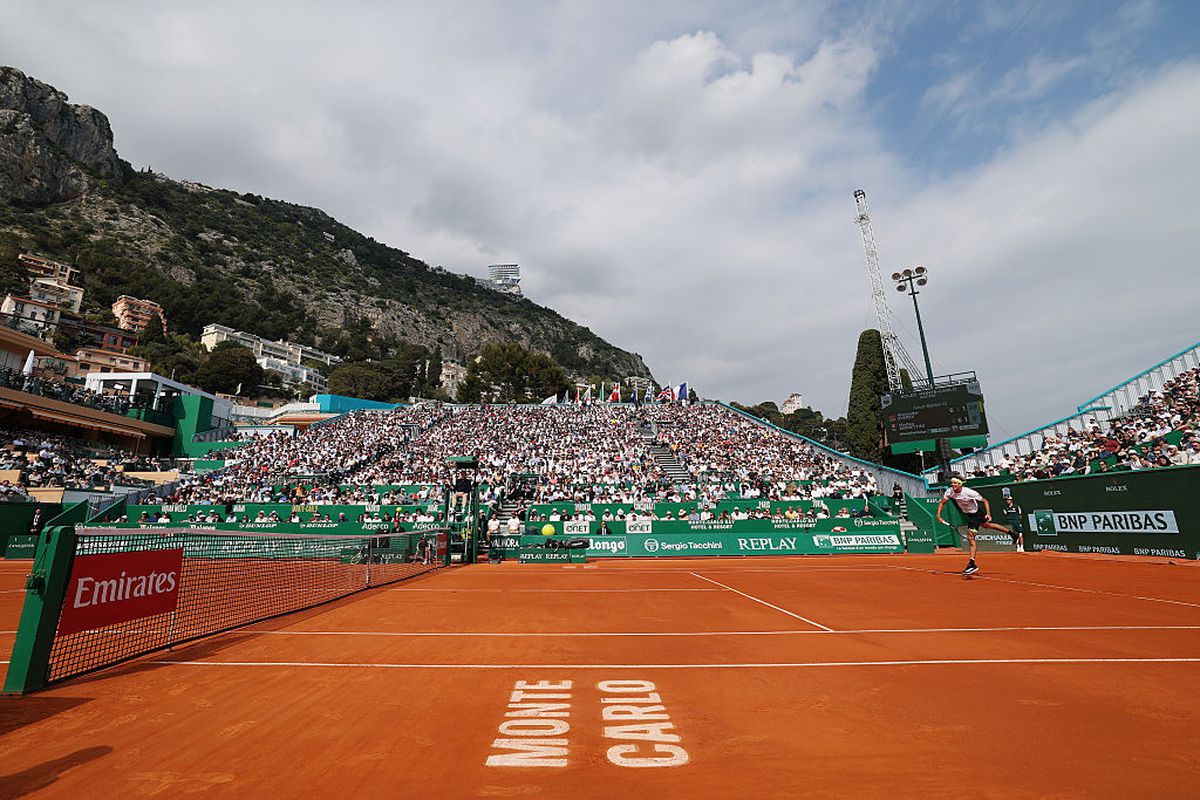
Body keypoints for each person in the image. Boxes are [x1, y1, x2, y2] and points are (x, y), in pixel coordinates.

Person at [936, 476, 1009, 576]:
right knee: (987, 525)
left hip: (976, 514)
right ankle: (1011, 533)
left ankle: (972, 563)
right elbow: (942, 503)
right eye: (952, 483)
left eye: (955, 483)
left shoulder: (969, 492)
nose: (953, 485)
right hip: (969, 515)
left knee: (971, 537)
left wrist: (988, 514)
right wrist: (938, 516)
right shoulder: (949, 492)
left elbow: (985, 501)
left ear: (960, 484)